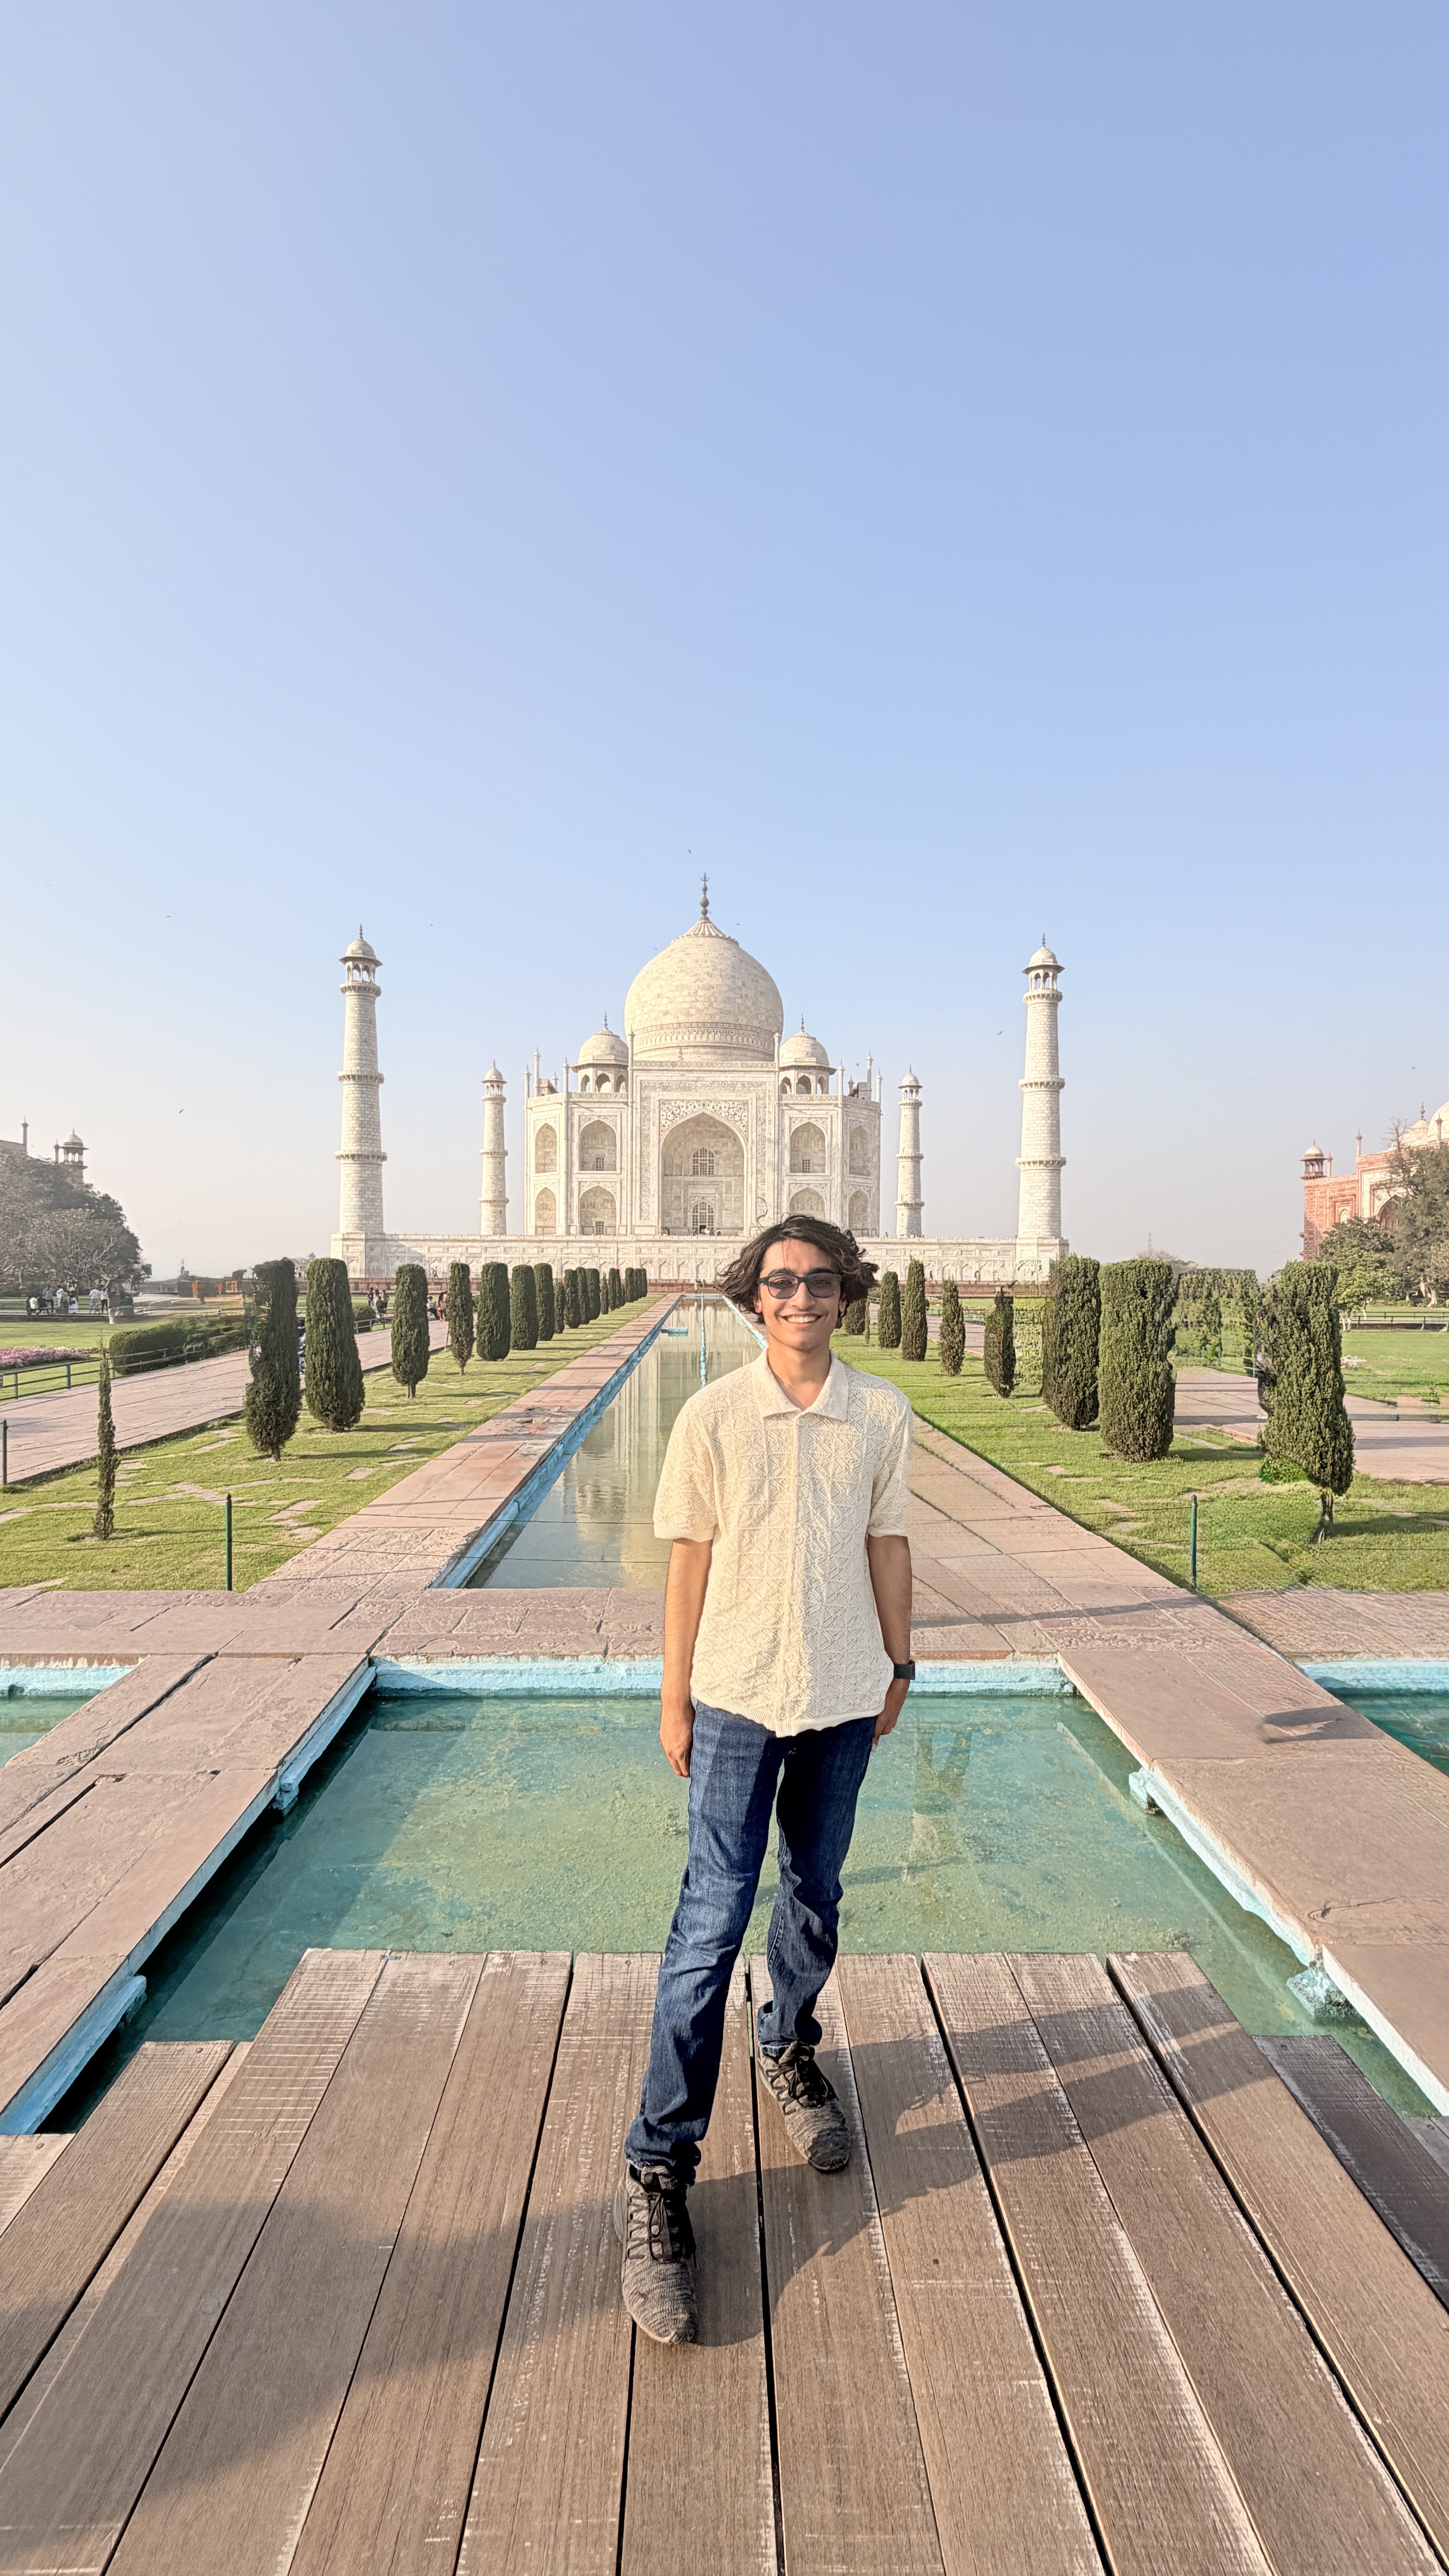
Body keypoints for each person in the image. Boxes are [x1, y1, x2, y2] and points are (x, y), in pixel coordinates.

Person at [616, 1216, 915, 2345]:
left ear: (845, 1294)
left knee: (813, 1896)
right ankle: (656, 2169)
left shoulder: (878, 1414)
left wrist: (901, 1660)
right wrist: (673, 1692)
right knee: (706, 1925)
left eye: (819, 1281)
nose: (799, 1298)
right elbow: (685, 1557)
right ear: (752, 1299)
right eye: (779, 1283)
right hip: (739, 1692)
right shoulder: (711, 1414)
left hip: (841, 1692)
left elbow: (888, 1545)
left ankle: (786, 2045)